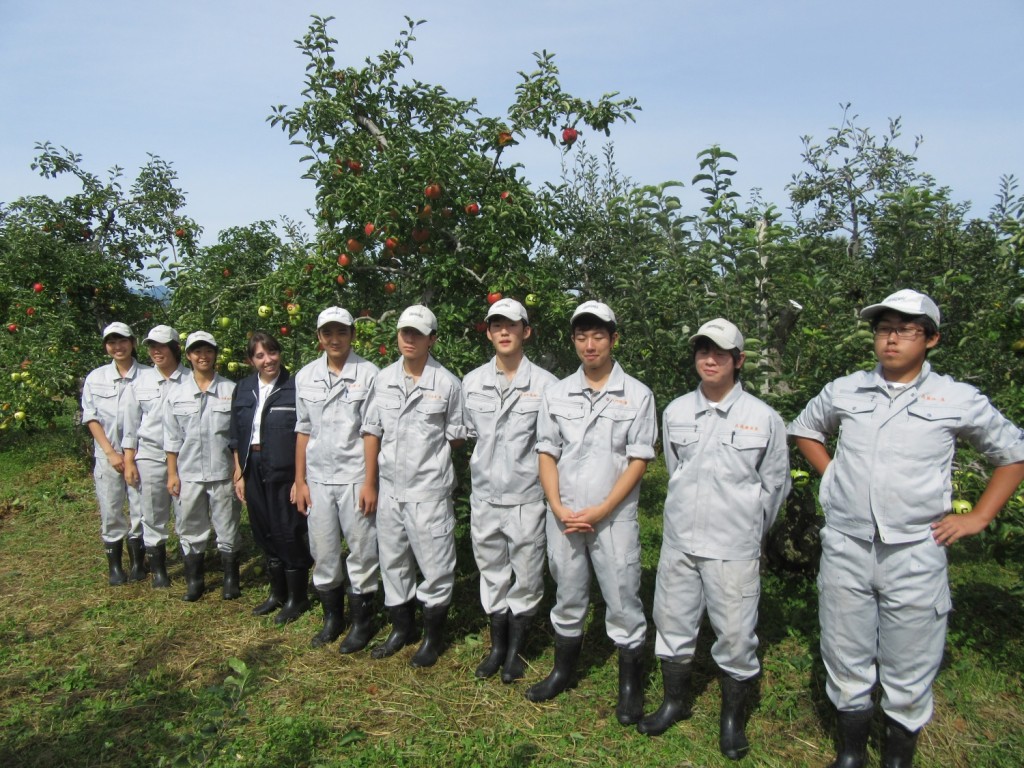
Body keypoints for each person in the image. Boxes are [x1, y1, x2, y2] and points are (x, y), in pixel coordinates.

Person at [788, 289, 1024, 768]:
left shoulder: (956, 397)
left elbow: (1011, 454)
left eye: (905, 329)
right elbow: (806, 428)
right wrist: (833, 474)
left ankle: (898, 756)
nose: (891, 339)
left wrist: (978, 516)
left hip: (916, 547)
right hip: (847, 543)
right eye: (883, 328)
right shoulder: (846, 388)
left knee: (910, 659)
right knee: (844, 649)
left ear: (931, 339)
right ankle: (850, 751)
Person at [638, 319, 790, 760]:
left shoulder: (763, 419)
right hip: (681, 542)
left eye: (719, 352)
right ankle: (675, 701)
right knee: (672, 625)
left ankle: (731, 722)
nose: (709, 359)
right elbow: (674, 468)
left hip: (733, 548)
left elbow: (774, 487)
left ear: (738, 361)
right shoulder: (677, 411)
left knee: (737, 638)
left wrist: (747, 530)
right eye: (702, 351)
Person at [527, 300, 657, 726]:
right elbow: (547, 451)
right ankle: (563, 671)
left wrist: (602, 508)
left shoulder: (637, 395)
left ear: (614, 339)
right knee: (567, 592)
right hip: (565, 515)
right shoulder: (557, 392)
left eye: (598, 335)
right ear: (573, 341)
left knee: (622, 597)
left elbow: (639, 460)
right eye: (581, 336)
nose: (590, 344)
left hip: (612, 517)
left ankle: (629, 687)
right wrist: (558, 505)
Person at [361, 304, 467, 667]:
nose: (409, 339)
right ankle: (400, 629)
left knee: (436, 566)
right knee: (393, 562)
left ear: (432, 339)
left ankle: (432, 639)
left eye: (418, 334)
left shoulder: (449, 385)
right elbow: (372, 430)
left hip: (429, 492)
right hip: (390, 489)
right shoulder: (383, 379)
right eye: (405, 332)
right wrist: (370, 482)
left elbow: (455, 437)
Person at [462, 299, 558, 682]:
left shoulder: (547, 386)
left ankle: (517, 650)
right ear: (488, 333)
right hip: (485, 496)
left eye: (512, 325)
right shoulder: (471, 382)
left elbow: (552, 446)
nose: (504, 331)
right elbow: (467, 434)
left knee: (529, 575)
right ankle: (497, 647)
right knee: (492, 573)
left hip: (526, 498)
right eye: (496, 325)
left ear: (526, 331)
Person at [294, 307, 381, 652]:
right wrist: (299, 480)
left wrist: (370, 482)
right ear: (319, 337)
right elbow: (302, 429)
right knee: (323, 549)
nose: (334, 339)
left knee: (361, 548)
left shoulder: (370, 374)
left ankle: (363, 621)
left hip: (355, 476)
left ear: (352, 336)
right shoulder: (305, 376)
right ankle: (333, 618)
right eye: (327, 333)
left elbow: (371, 430)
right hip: (317, 477)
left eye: (341, 332)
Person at [230, 331, 314, 624]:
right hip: (253, 468)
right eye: (260, 355)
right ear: (250, 360)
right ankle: (277, 593)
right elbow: (235, 434)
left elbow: (305, 434)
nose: (268, 360)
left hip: (285, 470)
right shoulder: (243, 389)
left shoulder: (295, 387)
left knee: (288, 530)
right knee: (263, 530)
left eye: (272, 352)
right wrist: (238, 471)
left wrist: (300, 479)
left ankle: (297, 597)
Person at [163, 331, 241, 602]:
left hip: (222, 472)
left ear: (215, 354)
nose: (202, 356)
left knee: (227, 525)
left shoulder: (231, 390)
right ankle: (195, 580)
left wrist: (238, 470)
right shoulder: (176, 394)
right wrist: (172, 474)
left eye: (208, 351)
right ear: (188, 356)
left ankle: (231, 578)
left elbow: (236, 437)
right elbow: (171, 438)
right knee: (190, 526)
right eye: (197, 352)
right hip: (189, 473)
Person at [81, 322, 151, 585]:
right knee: (111, 508)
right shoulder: (95, 378)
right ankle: (115, 566)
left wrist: (131, 455)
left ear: (132, 343)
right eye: (111, 342)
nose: (117, 346)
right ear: (105, 346)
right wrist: (111, 453)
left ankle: (138, 563)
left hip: (141, 455)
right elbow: (91, 418)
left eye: (122, 340)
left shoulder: (148, 376)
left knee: (140, 506)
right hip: (107, 455)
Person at [122, 325, 189, 588]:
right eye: (152, 346)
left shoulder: (190, 379)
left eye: (161, 346)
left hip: (184, 456)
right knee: (151, 511)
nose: (156, 352)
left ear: (174, 348)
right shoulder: (139, 383)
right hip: (149, 454)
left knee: (186, 510)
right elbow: (130, 425)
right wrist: (129, 460)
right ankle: (159, 568)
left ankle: (191, 558)